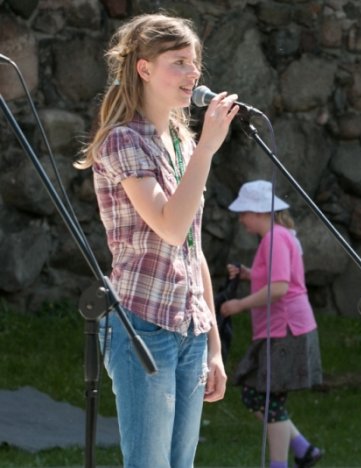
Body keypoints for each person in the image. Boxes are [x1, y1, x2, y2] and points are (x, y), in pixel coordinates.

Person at [75, 13, 236, 467]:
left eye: (194, 62)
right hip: (142, 325)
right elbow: (169, 225)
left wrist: (214, 345)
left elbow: (192, 249)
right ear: (144, 68)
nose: (193, 72)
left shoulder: (181, 140)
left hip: (190, 328)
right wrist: (208, 149)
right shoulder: (123, 140)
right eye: (179, 62)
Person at [220, 180, 323, 468]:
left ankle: (282, 462)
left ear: (260, 211)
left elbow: (279, 288)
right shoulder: (279, 237)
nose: (241, 219)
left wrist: (239, 304)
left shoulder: (274, 239)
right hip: (284, 328)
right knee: (260, 396)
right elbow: (276, 278)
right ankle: (303, 450)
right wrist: (248, 274)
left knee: (266, 398)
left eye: (244, 212)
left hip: (286, 329)